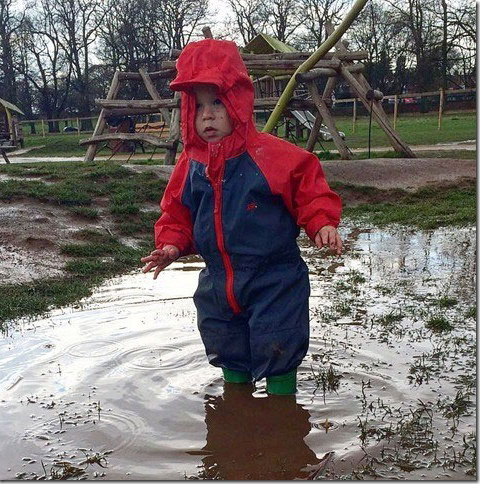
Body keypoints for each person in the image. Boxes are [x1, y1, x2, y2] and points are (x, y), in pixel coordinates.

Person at [141, 39, 342, 395]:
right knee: (225, 343)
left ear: (238, 99)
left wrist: (321, 222)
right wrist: (170, 245)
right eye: (198, 105)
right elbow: (176, 212)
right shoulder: (190, 166)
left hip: (274, 278)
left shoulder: (272, 155)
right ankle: (236, 407)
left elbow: (309, 188)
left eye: (217, 101)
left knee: (278, 343)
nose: (208, 114)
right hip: (218, 280)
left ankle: (282, 417)